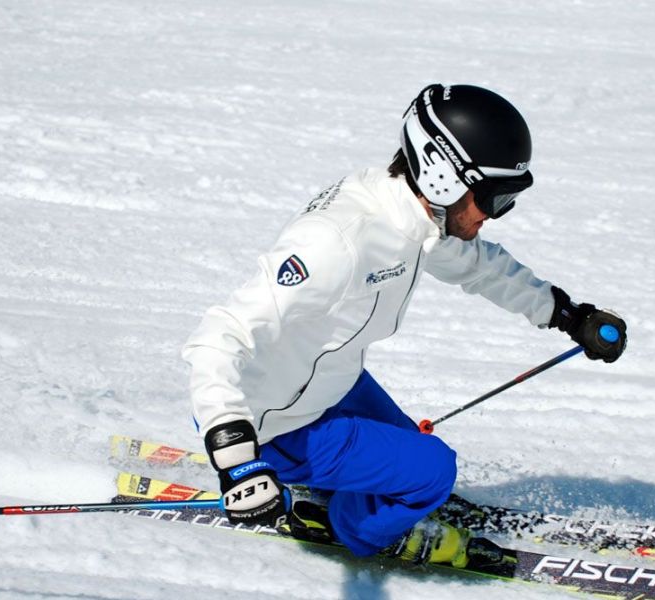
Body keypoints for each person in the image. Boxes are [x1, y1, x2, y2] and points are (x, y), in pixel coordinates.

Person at [182, 83, 627, 568]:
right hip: (270, 424)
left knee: (413, 455)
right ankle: (353, 527)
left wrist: (566, 315)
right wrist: (236, 456)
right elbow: (220, 337)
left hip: (326, 383)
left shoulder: (409, 216)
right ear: (442, 176)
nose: (495, 215)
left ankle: (349, 489)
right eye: (494, 197)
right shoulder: (335, 243)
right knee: (434, 470)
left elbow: (479, 265)